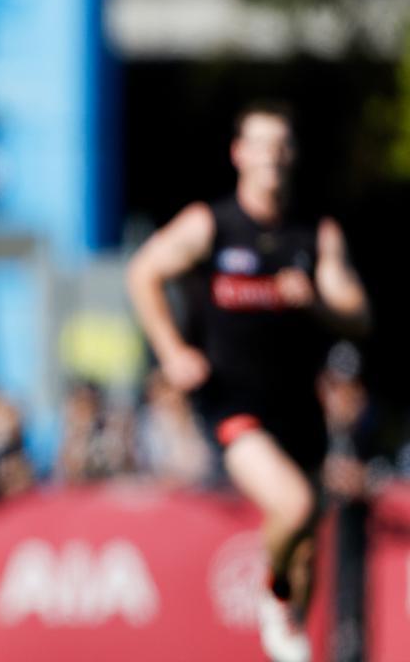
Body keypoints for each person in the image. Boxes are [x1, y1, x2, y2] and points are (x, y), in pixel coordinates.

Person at [127, 102, 369, 662]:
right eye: (260, 144)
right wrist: (172, 350)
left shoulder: (314, 233)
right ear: (239, 154)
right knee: (296, 505)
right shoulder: (211, 224)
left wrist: (317, 300)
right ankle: (272, 591)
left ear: (292, 156)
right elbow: (144, 271)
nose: (272, 156)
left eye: (282, 144)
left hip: (298, 406)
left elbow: (358, 313)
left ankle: (287, 625)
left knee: (305, 551)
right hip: (233, 400)